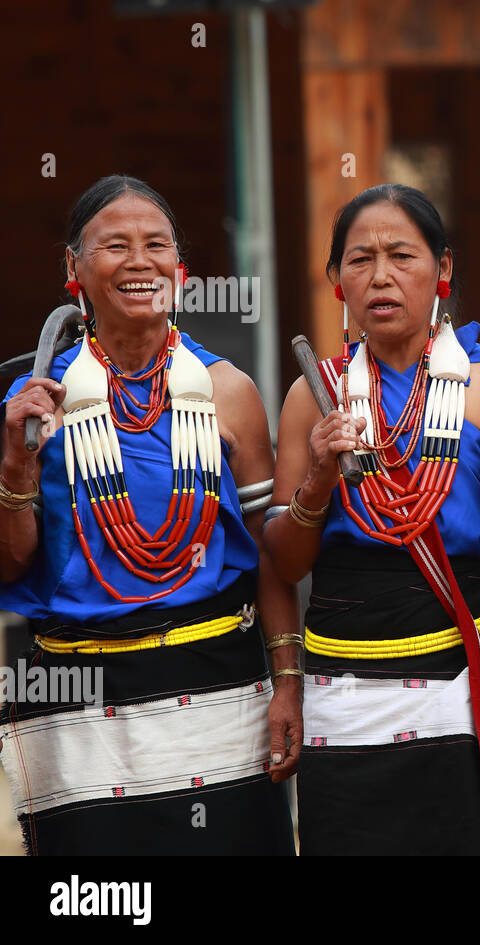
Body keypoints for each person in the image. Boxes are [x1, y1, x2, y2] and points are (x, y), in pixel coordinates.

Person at [0, 175, 297, 854]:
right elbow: (10, 561)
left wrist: (288, 683)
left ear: (181, 271)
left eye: (155, 244)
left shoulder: (229, 391)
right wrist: (16, 463)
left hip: (217, 690)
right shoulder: (34, 402)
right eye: (114, 245)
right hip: (81, 703)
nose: (139, 261)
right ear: (73, 268)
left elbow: (272, 558)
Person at [265, 184, 480, 854]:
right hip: (346, 695)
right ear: (337, 281)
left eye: (401, 255)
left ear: (443, 268)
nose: (381, 276)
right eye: (360, 260)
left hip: (469, 685)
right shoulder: (314, 394)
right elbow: (284, 560)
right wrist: (317, 479)